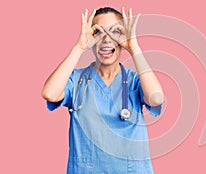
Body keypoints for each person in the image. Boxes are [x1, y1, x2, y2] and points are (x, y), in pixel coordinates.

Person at [42, 6, 164, 174]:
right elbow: (50, 93)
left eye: (115, 32)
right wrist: (79, 47)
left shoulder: (135, 81)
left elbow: (156, 98)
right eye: (98, 32)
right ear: (90, 37)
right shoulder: (77, 80)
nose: (106, 40)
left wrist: (134, 47)